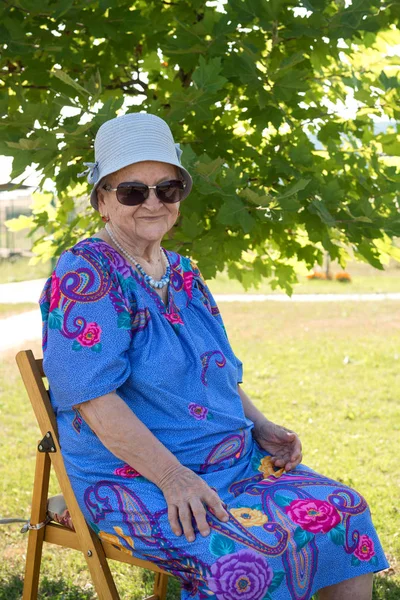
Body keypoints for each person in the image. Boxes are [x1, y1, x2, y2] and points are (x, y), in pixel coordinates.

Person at [40, 112, 389, 600]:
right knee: (245, 557)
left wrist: (262, 426)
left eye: (166, 188)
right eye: (132, 191)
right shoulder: (87, 274)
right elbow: (93, 398)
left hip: (231, 462)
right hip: (138, 477)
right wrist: (172, 477)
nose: (153, 202)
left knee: (344, 508)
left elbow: (216, 371)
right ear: (102, 200)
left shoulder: (183, 272)